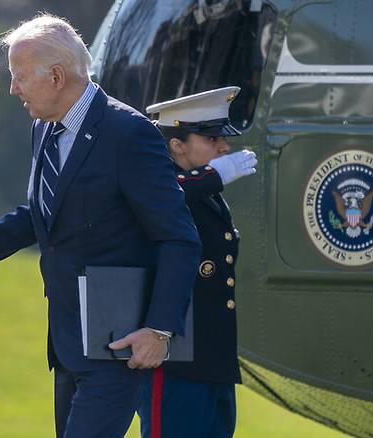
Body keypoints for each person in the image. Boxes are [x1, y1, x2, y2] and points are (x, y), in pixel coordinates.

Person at [0, 13, 201, 438]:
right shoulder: (43, 128)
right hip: (67, 344)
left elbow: (179, 237)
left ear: (57, 76)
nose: (13, 89)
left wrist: (159, 329)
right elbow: (44, 213)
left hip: (119, 344)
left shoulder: (128, 132)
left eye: (20, 76)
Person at [138, 87, 258, 437]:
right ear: (177, 144)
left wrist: (209, 180)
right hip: (176, 359)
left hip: (211, 357)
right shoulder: (161, 187)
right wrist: (211, 176)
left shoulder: (207, 195)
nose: (224, 147)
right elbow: (162, 193)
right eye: (211, 137)